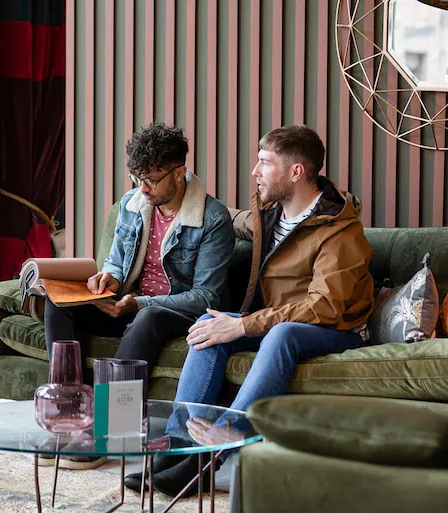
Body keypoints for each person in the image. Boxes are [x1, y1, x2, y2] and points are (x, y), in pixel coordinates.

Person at [126, 125, 376, 496]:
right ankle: (176, 447)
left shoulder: (341, 232)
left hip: (335, 329)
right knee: (211, 322)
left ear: (296, 171)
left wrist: (244, 325)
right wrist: (176, 193)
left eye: (264, 163)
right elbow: (219, 216)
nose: (255, 172)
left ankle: (208, 460)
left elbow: (325, 306)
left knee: (280, 333)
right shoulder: (269, 216)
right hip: (277, 323)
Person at [44, 122, 235, 369]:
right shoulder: (131, 204)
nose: (142, 188)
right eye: (137, 178)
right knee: (58, 299)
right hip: (130, 305)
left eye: (151, 180)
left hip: (177, 314)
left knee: (149, 315)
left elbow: (205, 298)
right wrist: (111, 277)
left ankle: (112, 403)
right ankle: (67, 393)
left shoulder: (212, 219)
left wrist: (140, 303)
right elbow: (115, 261)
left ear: (179, 172)